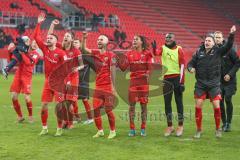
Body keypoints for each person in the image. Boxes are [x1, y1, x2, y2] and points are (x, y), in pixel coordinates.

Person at [187, 25, 236, 138]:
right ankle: (199, 130)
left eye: (209, 41)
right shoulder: (199, 52)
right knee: (198, 106)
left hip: (214, 84)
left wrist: (231, 34)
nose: (207, 42)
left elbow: (228, 45)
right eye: (206, 40)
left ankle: (218, 129)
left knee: (216, 106)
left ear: (214, 43)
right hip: (200, 84)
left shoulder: (218, 51)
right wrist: (190, 68)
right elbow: (190, 63)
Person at [47, 19, 84, 135]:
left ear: (72, 39)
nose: (65, 37)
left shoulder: (76, 51)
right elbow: (50, 36)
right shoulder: (59, 47)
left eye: (68, 36)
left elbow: (82, 64)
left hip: (73, 78)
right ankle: (66, 121)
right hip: (62, 79)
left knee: (69, 102)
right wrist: (52, 25)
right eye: (65, 35)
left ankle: (70, 122)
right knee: (62, 102)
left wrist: (76, 68)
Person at [33, 13, 67, 136]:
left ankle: (59, 128)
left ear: (56, 41)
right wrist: (39, 23)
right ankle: (44, 128)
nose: (48, 39)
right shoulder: (45, 49)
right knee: (44, 106)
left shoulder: (61, 52)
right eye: (47, 38)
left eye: (50, 38)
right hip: (47, 82)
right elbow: (36, 37)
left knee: (58, 107)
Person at [82, 31, 117, 139]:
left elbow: (113, 71)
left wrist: (114, 88)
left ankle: (112, 131)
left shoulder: (111, 55)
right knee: (96, 110)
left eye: (101, 39)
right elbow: (84, 49)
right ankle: (100, 131)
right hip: (98, 86)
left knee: (108, 110)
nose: (99, 41)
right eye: (98, 40)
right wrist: (84, 38)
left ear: (107, 42)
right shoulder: (96, 53)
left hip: (107, 86)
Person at [118, 35, 153, 137]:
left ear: (141, 42)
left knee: (144, 106)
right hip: (133, 83)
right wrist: (119, 61)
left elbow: (150, 68)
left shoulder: (147, 54)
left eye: (136, 39)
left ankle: (143, 128)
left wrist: (148, 74)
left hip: (143, 83)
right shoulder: (129, 54)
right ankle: (132, 128)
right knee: (132, 106)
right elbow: (123, 68)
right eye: (133, 40)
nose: (134, 41)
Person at [153, 33, 185, 137]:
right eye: (166, 38)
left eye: (169, 37)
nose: (167, 39)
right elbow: (157, 53)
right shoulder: (162, 48)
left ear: (174, 39)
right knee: (167, 103)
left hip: (176, 78)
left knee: (178, 102)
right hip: (166, 79)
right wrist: (154, 48)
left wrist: (182, 82)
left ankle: (180, 126)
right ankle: (170, 126)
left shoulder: (179, 49)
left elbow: (182, 66)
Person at [8, 40, 40, 123]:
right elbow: (13, 58)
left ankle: (30, 116)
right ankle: (20, 116)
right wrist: (11, 50)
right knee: (13, 96)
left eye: (37, 44)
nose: (36, 45)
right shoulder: (23, 49)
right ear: (30, 43)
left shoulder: (36, 55)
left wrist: (22, 53)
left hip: (27, 76)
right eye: (34, 43)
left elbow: (28, 63)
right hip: (18, 75)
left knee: (26, 98)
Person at [214, 31, 239, 132]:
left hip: (230, 81)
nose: (217, 39)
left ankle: (228, 122)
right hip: (218, 82)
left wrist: (230, 74)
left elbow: (237, 62)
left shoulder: (229, 49)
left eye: (219, 37)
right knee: (220, 102)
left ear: (222, 38)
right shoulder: (214, 50)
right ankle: (224, 123)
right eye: (216, 37)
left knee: (228, 99)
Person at [73, 39, 94, 125]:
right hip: (74, 81)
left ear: (80, 44)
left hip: (83, 81)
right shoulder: (73, 55)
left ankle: (90, 118)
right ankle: (77, 118)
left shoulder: (85, 56)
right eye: (73, 42)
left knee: (84, 100)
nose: (74, 44)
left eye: (76, 42)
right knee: (73, 100)